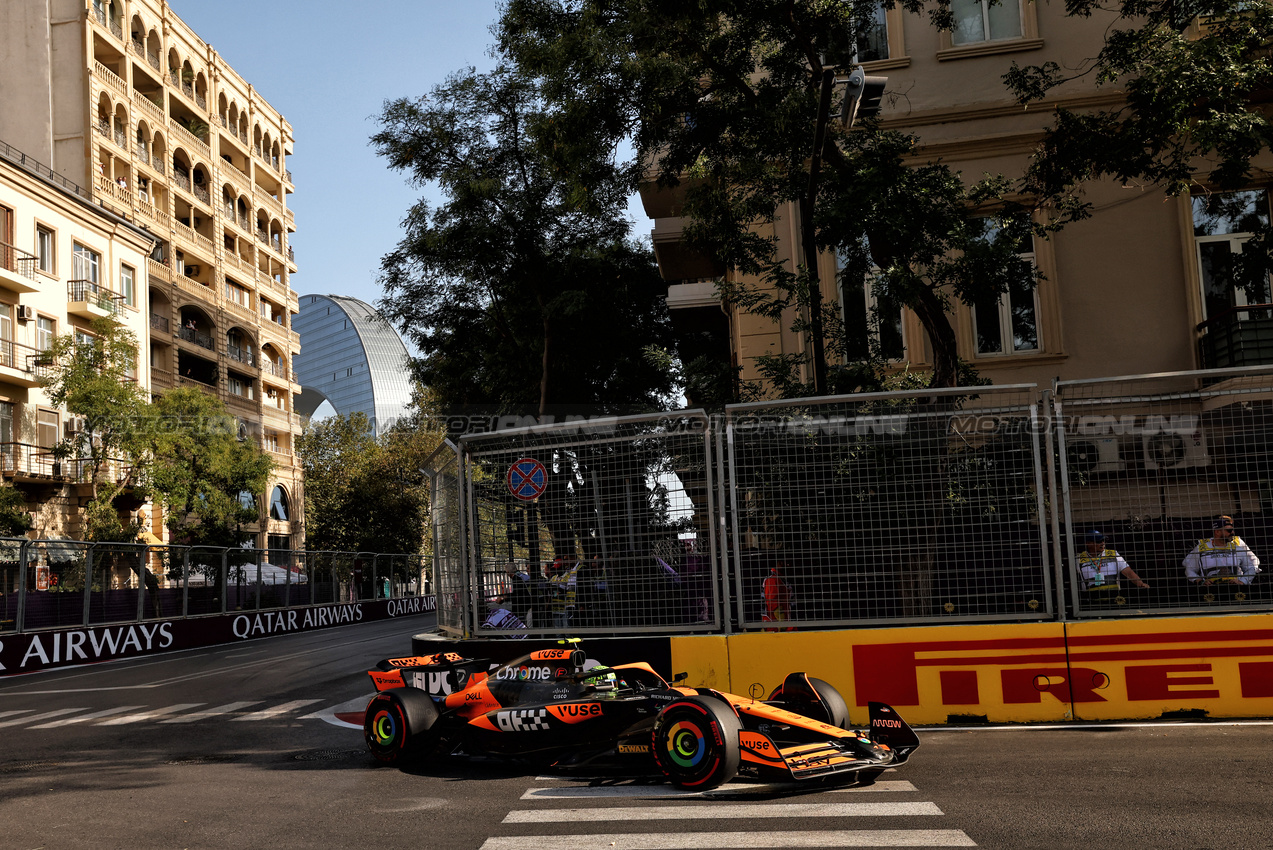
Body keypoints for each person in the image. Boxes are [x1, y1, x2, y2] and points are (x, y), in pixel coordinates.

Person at [1183, 515, 1261, 586]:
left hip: (1235, 589)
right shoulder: (1201, 548)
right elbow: (1188, 567)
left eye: (1232, 530)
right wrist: (1200, 581)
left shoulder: (1238, 547)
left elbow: (1251, 566)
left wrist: (1242, 581)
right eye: (1229, 530)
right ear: (1217, 532)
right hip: (1210, 591)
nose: (1233, 533)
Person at [1078, 530, 1149, 591]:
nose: (1103, 543)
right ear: (1088, 544)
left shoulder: (1113, 554)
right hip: (1092, 602)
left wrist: (1141, 584)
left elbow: (1128, 572)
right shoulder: (1079, 559)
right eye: (1098, 541)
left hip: (1114, 599)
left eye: (1103, 540)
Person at [762, 561, 794, 631]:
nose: (789, 565)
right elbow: (773, 603)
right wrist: (782, 623)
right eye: (786, 563)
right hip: (775, 627)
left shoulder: (780, 579)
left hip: (784, 624)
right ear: (779, 563)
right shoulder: (772, 579)